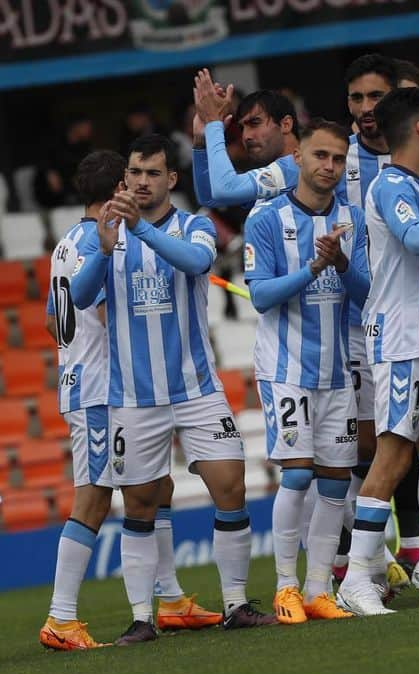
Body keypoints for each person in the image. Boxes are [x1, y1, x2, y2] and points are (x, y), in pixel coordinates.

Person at [71, 135, 275, 640]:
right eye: (135, 173)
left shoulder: (195, 225)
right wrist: (103, 248)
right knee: (139, 503)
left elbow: (196, 263)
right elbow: (79, 296)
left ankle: (234, 604)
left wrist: (140, 230)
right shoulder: (106, 231)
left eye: (152, 174)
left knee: (231, 486)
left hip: (195, 388)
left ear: (171, 179)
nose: (142, 182)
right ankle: (143, 617)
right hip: (133, 397)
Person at [38, 151, 222, 651]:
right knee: (95, 496)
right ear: (119, 184)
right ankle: (61, 616)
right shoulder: (105, 238)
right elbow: (102, 313)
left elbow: (53, 320)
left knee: (156, 486)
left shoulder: (65, 243)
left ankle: (171, 598)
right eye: (131, 178)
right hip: (103, 386)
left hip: (95, 381)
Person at [335, 88, 419, 616]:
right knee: (395, 454)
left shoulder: (417, 187)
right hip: (397, 339)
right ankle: (358, 577)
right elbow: (418, 240)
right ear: (418, 129)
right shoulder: (391, 185)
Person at [244, 118, 369, 623]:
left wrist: (340, 263)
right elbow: (260, 296)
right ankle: (285, 587)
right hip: (286, 367)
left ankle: (319, 589)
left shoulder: (352, 218)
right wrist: (313, 268)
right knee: (297, 475)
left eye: (338, 159)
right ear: (298, 157)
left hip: (337, 370)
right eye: (320, 156)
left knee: (337, 482)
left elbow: (366, 294)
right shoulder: (267, 220)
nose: (329, 167)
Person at [35, 116, 95, 209]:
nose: (89, 130)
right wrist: (49, 172)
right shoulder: (55, 142)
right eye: (85, 127)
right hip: (48, 188)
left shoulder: (85, 147)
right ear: (76, 127)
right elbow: (43, 161)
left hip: (71, 188)